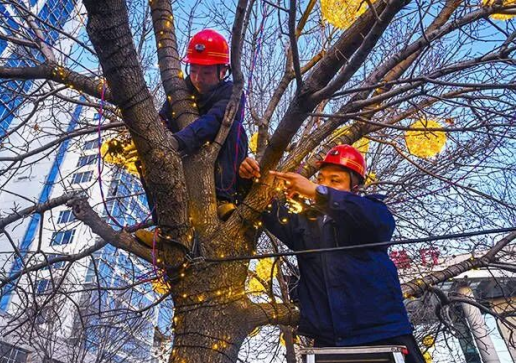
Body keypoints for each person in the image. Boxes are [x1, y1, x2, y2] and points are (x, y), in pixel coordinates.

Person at [238, 145, 425, 363]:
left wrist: (317, 193)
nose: (324, 184)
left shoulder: (373, 211)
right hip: (330, 341)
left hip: (383, 333)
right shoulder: (304, 224)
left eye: (335, 180)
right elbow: (268, 209)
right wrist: (250, 178)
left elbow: (371, 218)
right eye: (321, 179)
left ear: (354, 187)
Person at [159, 29, 250, 218]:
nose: (198, 78)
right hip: (183, 158)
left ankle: (223, 199)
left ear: (223, 71)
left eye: (206, 72)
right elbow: (163, 118)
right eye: (193, 70)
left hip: (221, 159)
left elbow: (214, 120)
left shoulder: (232, 93)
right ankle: (164, 222)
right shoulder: (181, 90)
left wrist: (178, 141)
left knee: (234, 129)